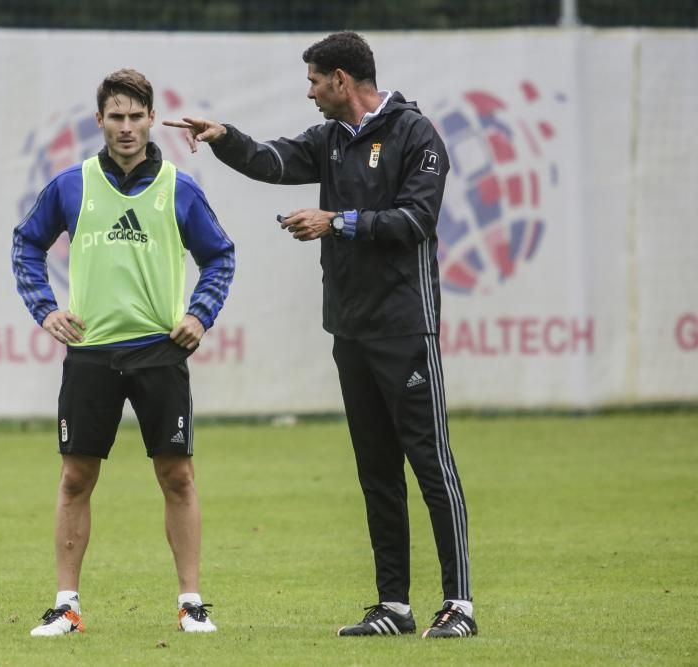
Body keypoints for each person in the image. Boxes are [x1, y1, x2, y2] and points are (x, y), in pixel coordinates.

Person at [164, 31, 476, 639]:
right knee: (376, 471)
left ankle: (459, 605)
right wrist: (222, 137)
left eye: (313, 80)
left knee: (430, 462)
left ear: (341, 80)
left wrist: (337, 221)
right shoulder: (332, 139)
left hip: (405, 327)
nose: (308, 92)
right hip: (351, 331)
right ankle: (395, 606)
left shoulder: (415, 133)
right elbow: (272, 161)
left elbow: (417, 220)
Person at [12, 68, 234, 636]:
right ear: (100, 121)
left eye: (137, 116)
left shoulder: (179, 188)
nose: (128, 127)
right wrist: (46, 309)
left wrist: (198, 315)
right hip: (91, 354)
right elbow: (26, 245)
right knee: (74, 478)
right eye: (117, 116)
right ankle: (67, 605)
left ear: (152, 118)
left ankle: (190, 603)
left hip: (160, 352)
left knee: (178, 476)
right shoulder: (71, 184)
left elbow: (220, 257)